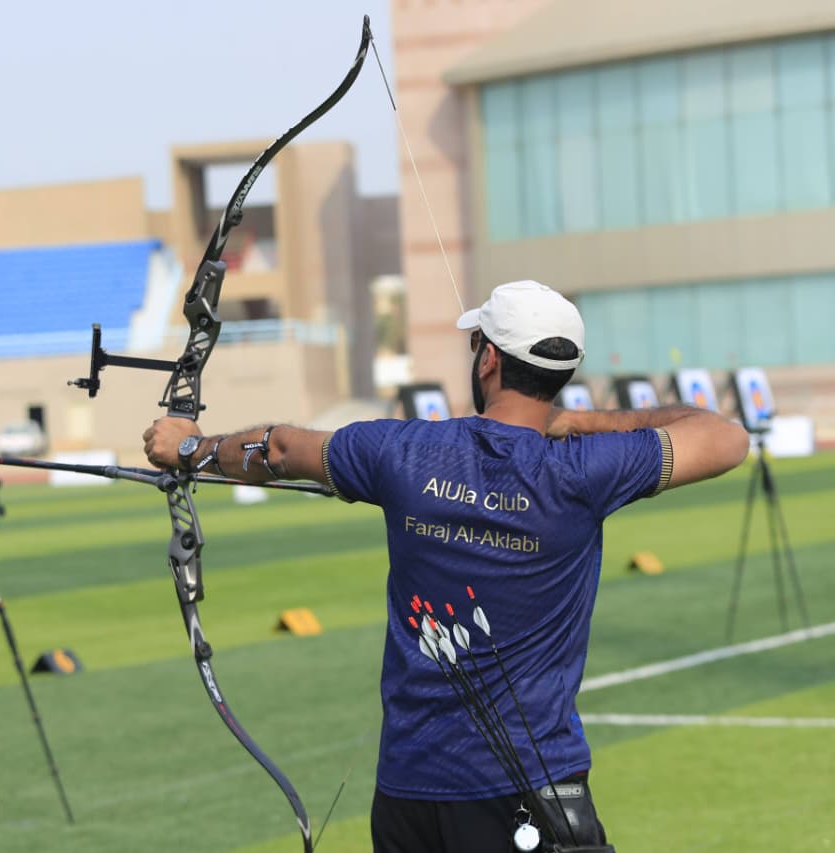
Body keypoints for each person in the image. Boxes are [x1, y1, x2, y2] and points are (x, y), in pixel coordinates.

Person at [143, 279, 749, 852]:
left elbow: (279, 448)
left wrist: (189, 448)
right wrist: (580, 423)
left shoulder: (400, 451)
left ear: (488, 359)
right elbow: (724, 437)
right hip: (532, 791)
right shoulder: (586, 470)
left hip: (409, 793)